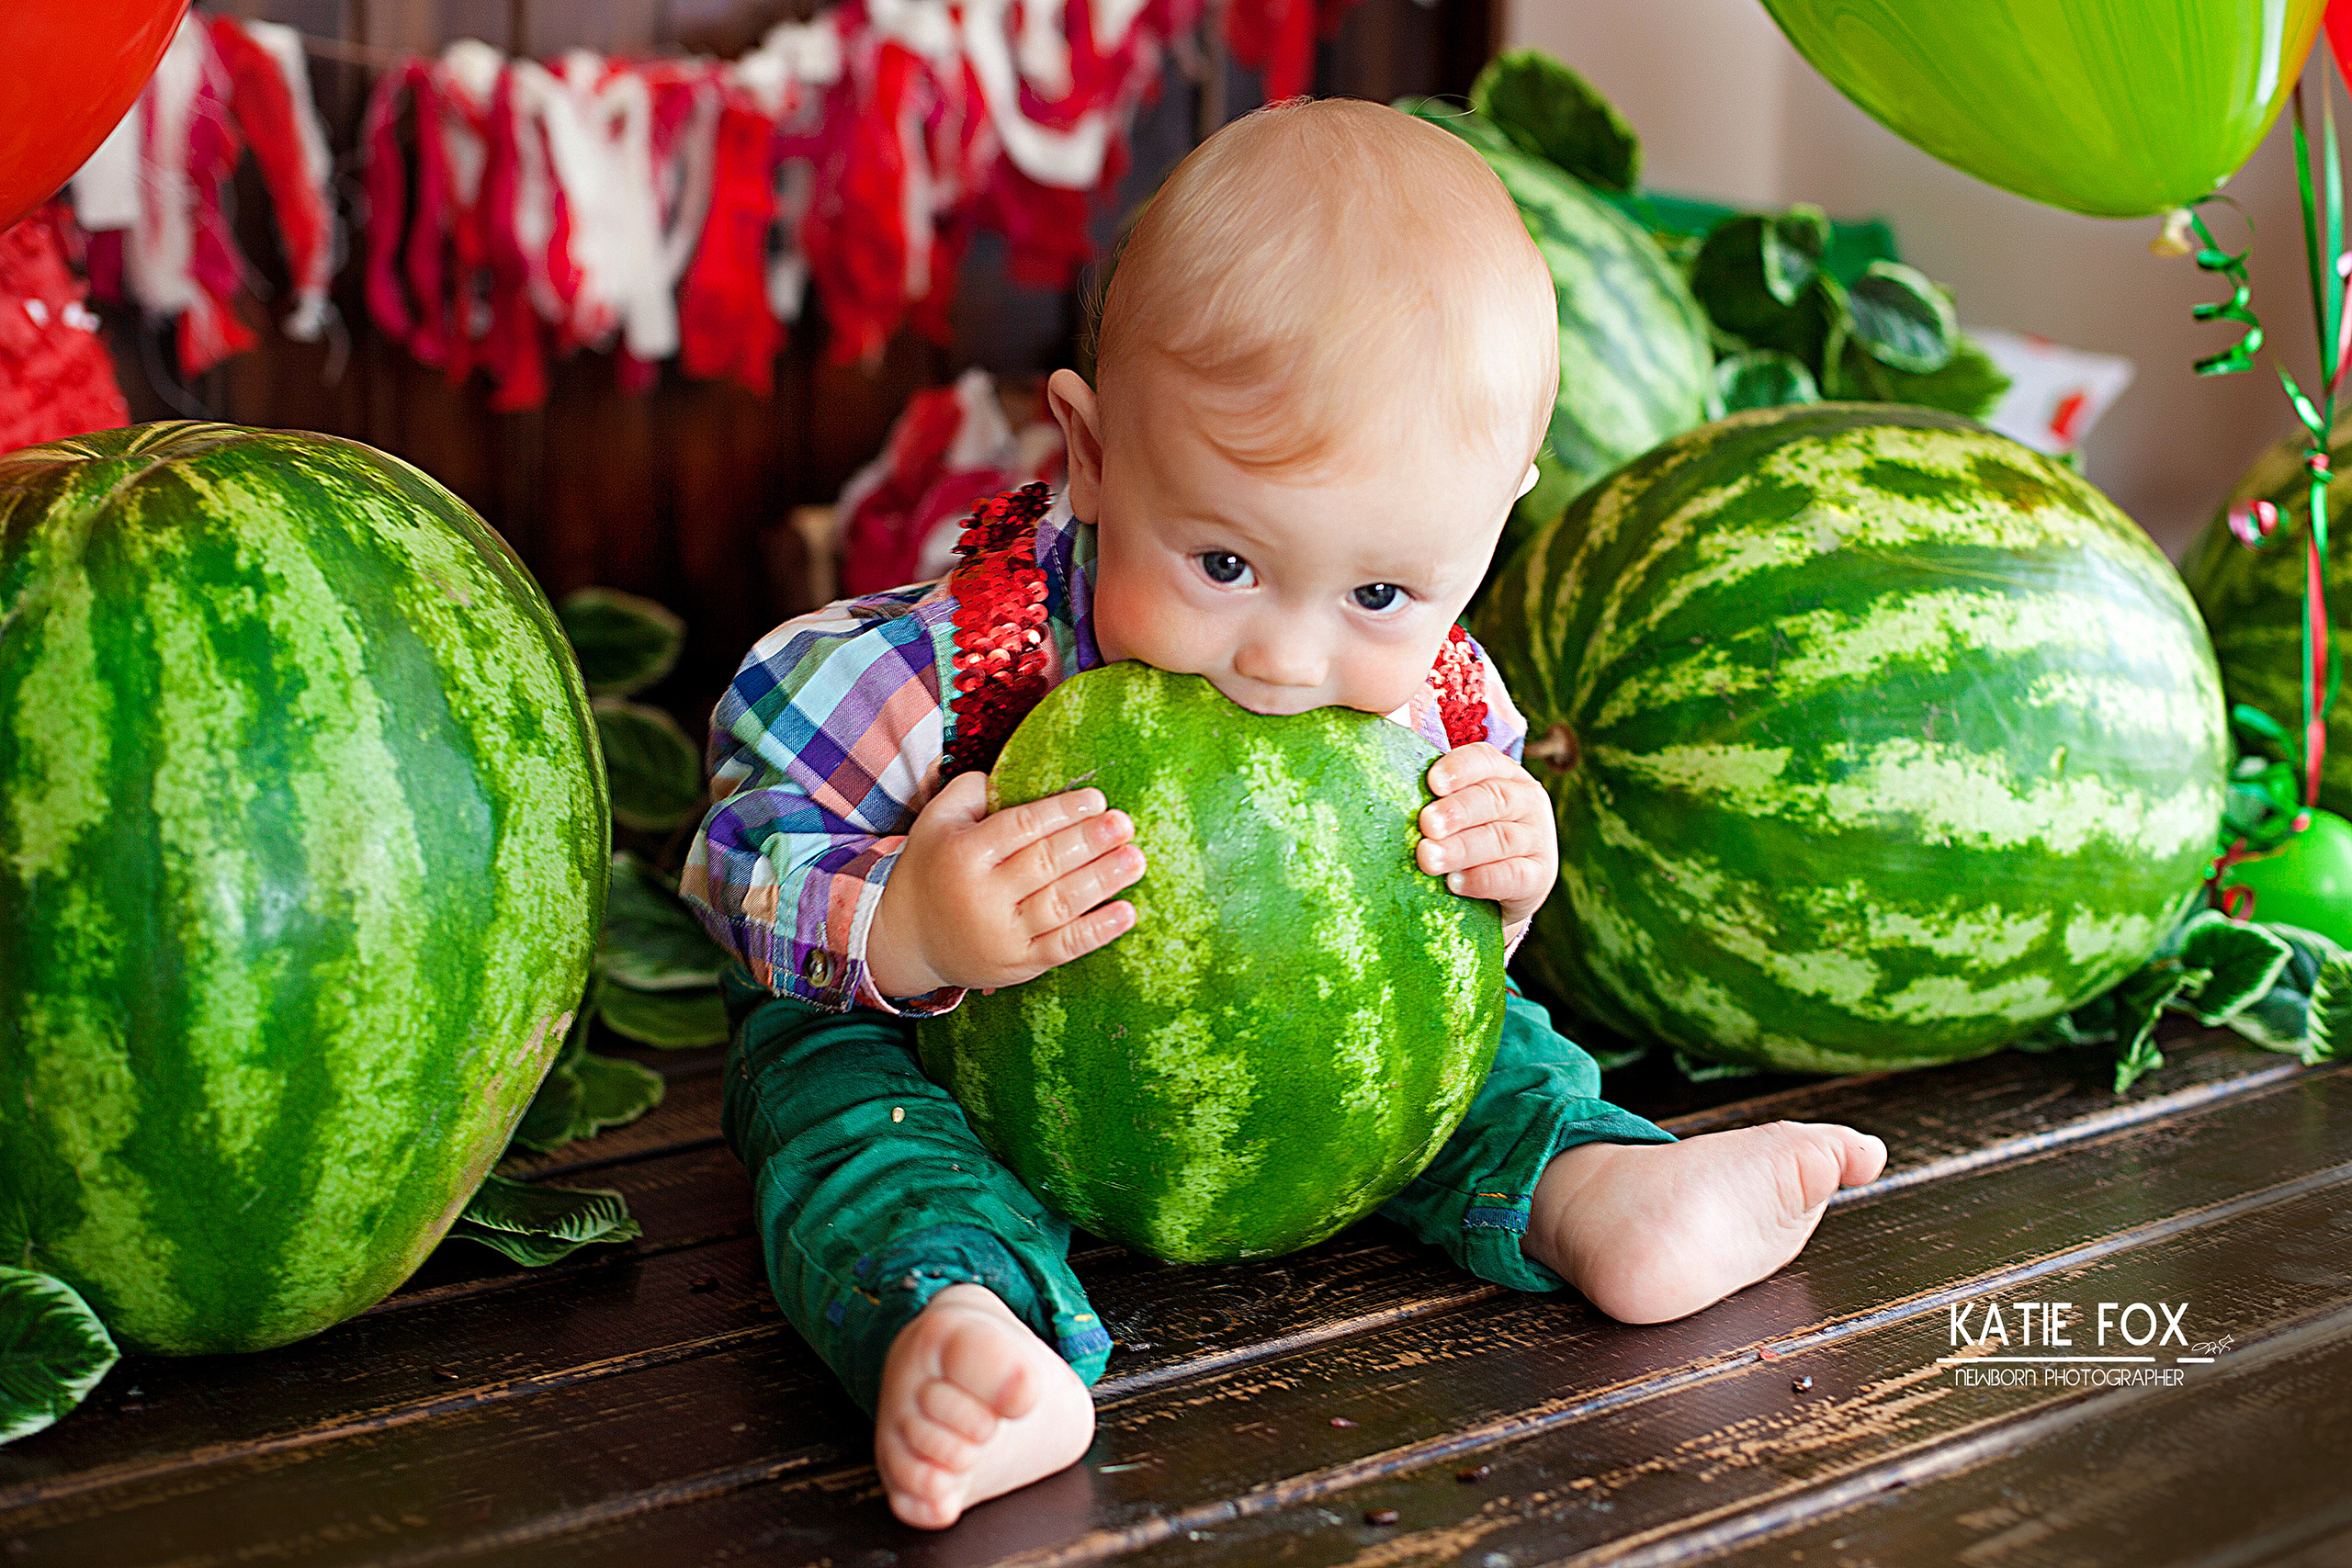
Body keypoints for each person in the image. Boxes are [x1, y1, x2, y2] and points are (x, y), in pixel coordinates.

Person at [681, 96, 1888, 1532]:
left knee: (1502, 1061)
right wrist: (909, 922)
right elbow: (735, 853)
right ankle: (964, 1325)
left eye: (1380, 594)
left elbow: (1453, 944)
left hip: (1325, 1092)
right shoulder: (923, 667)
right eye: (1223, 562)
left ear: (1491, 521)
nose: (1287, 660)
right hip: (949, 1073)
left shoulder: (1436, 692)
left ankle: (1598, 1190)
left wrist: (1511, 875)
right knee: (833, 1114)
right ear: (1093, 450)